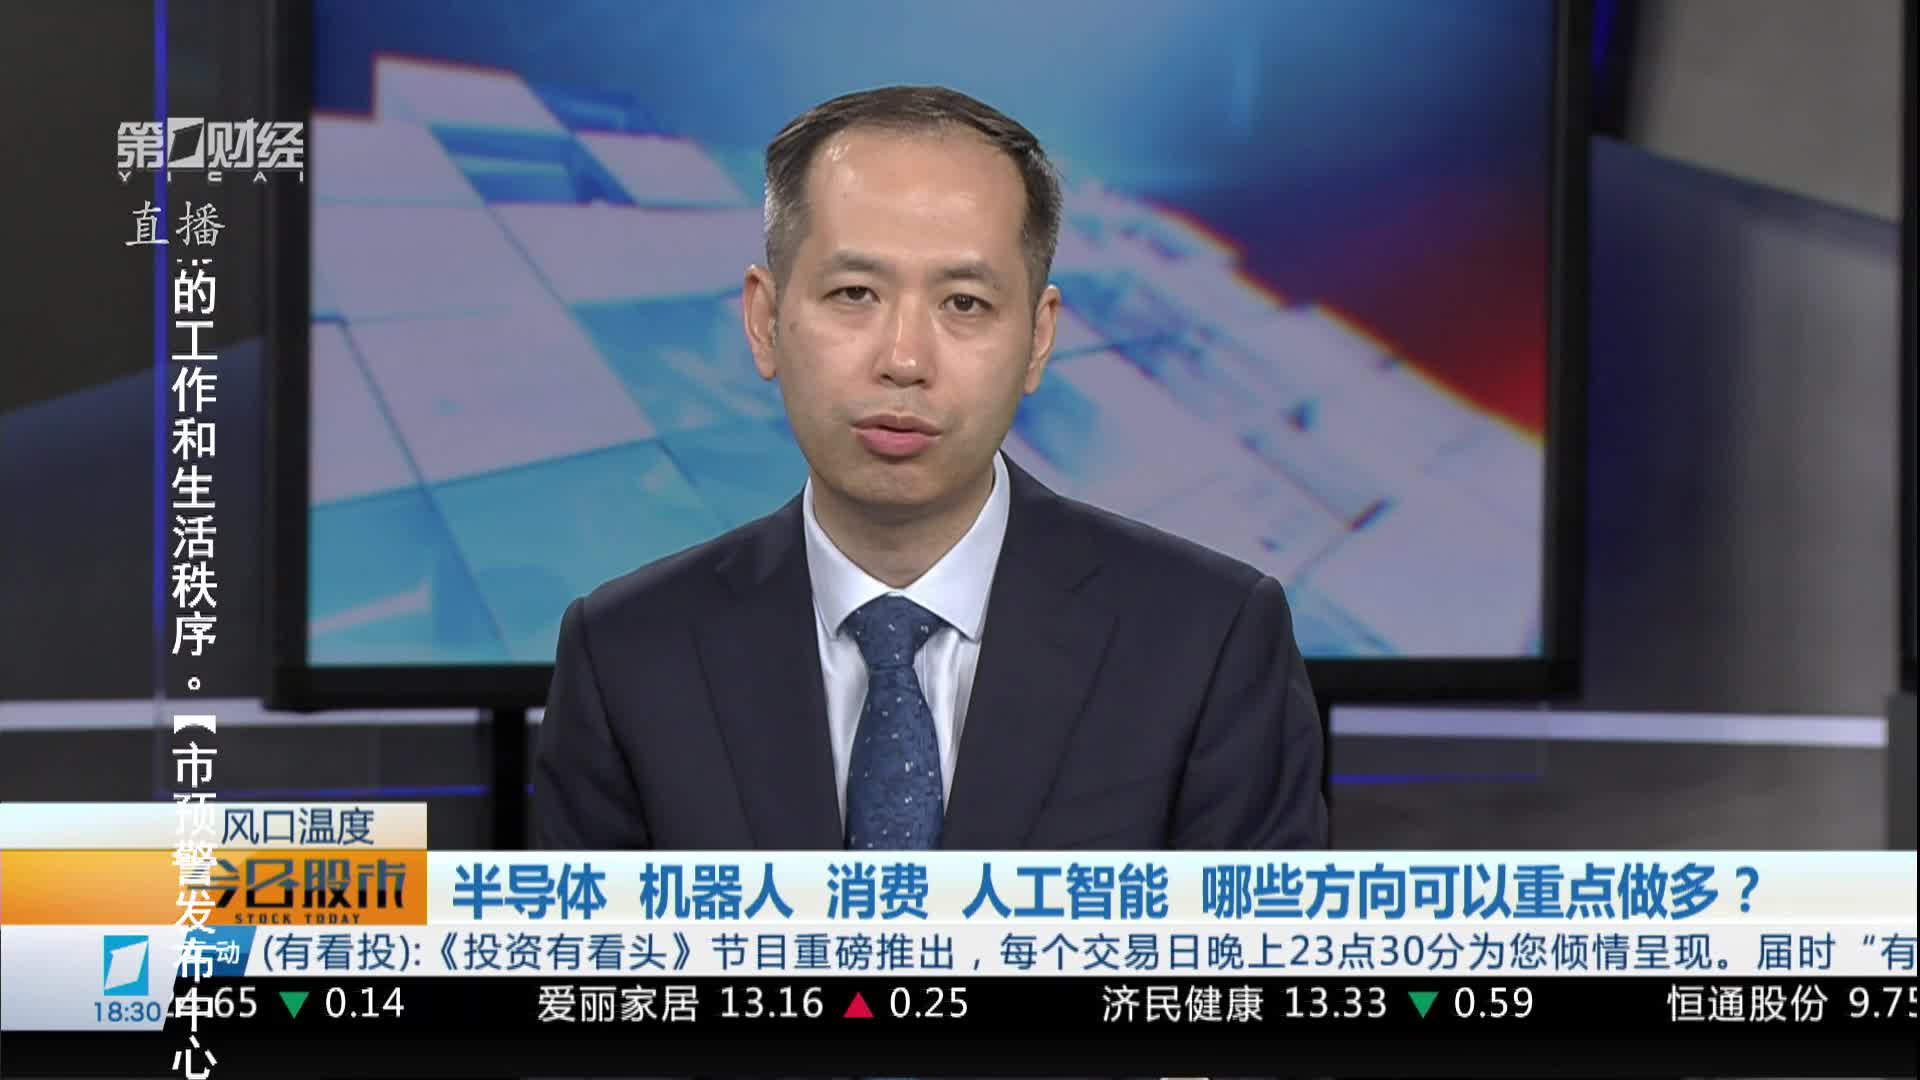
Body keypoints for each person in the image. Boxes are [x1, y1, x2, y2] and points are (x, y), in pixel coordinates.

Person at [535, 84, 1327, 853]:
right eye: (855, 293)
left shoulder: (1210, 639)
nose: (905, 360)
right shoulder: (626, 652)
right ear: (765, 321)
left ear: (1039, 339)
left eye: (964, 304)